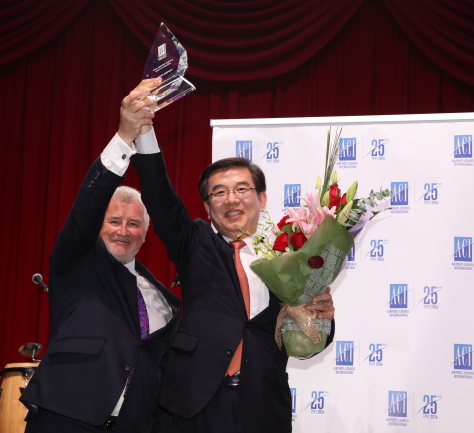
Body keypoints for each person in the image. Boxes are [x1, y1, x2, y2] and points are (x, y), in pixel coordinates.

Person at [111, 78, 335, 433]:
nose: (231, 199)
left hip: (261, 403)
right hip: (191, 402)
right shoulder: (194, 240)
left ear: (261, 199)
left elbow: (303, 343)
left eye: (242, 189)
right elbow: (158, 194)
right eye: (219, 192)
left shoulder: (292, 251)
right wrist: (144, 131)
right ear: (207, 205)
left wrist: (320, 319)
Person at [20, 86, 181, 433]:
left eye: (134, 223)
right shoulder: (75, 262)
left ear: (145, 233)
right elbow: (87, 206)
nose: (123, 230)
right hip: (66, 420)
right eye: (114, 221)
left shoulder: (165, 298)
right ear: (98, 226)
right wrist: (125, 137)